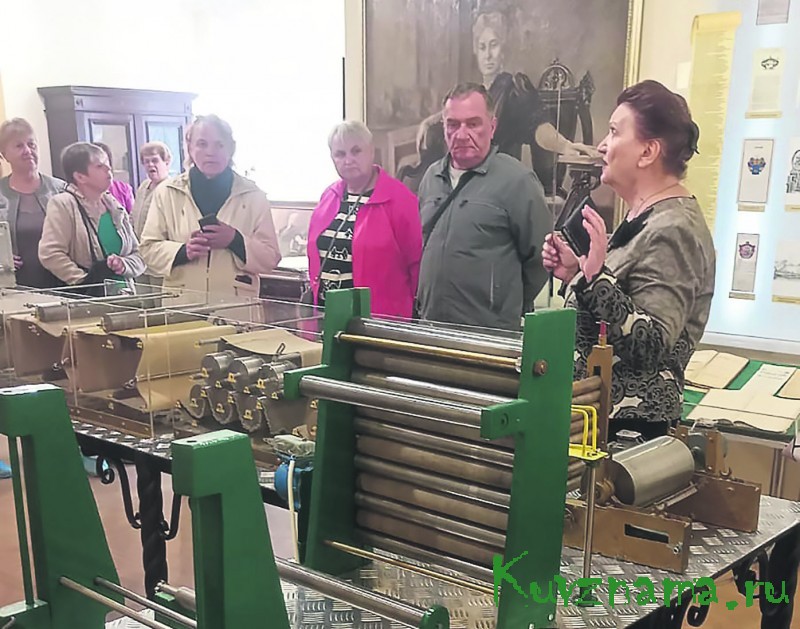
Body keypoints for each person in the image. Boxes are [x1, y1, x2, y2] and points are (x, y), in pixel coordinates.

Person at [542, 80, 715, 439]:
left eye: (614, 132)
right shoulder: (646, 216)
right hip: (597, 420)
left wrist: (594, 279)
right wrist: (577, 272)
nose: (602, 146)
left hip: (629, 435)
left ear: (648, 152)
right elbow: (618, 304)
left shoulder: (674, 228)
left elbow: (651, 346)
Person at [407, 10, 596, 193]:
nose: (488, 55)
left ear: (503, 50)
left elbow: (537, 125)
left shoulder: (513, 89)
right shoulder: (475, 92)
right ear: (476, 51)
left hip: (497, 183)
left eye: (494, 45)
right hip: (464, 180)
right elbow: (459, 113)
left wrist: (565, 146)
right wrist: (430, 121)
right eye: (482, 47)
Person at [416, 83, 551, 331]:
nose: (461, 134)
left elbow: (540, 259)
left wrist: (502, 306)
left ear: (492, 127)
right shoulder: (431, 177)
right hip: (432, 328)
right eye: (453, 124)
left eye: (473, 124)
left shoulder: (517, 181)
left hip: (489, 334)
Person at [139, 114, 281, 302]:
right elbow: (147, 249)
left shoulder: (254, 196)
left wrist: (235, 240)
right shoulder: (166, 192)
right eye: (202, 144)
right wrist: (183, 251)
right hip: (182, 305)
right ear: (189, 148)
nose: (210, 152)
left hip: (235, 307)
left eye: (219, 145)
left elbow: (271, 258)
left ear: (231, 149)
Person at [307, 121, 421, 318]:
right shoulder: (329, 195)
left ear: (371, 152)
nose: (348, 160)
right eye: (340, 154)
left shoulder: (399, 199)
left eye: (356, 151)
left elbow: (417, 266)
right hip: (328, 316)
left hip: (380, 320)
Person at [39, 142, 145, 295]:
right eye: (100, 166)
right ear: (80, 176)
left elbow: (139, 255)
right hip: (86, 300)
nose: (108, 169)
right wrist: (85, 281)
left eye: (107, 163)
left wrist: (124, 265)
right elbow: (50, 253)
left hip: (125, 297)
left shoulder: (113, 205)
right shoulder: (63, 204)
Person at [0, 118, 66, 288]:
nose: (27, 151)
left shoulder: (61, 190)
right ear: (4, 154)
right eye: (19, 146)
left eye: (31, 144)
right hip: (13, 288)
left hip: (64, 285)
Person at [131, 141, 172, 238]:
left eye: (155, 160)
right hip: (138, 243)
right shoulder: (143, 186)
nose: (150, 164)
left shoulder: (170, 188)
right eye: (146, 161)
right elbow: (133, 216)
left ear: (166, 162)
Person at [94, 142, 135, 213]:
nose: (106, 167)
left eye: (106, 163)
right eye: (99, 165)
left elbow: (134, 216)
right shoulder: (82, 192)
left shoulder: (123, 189)